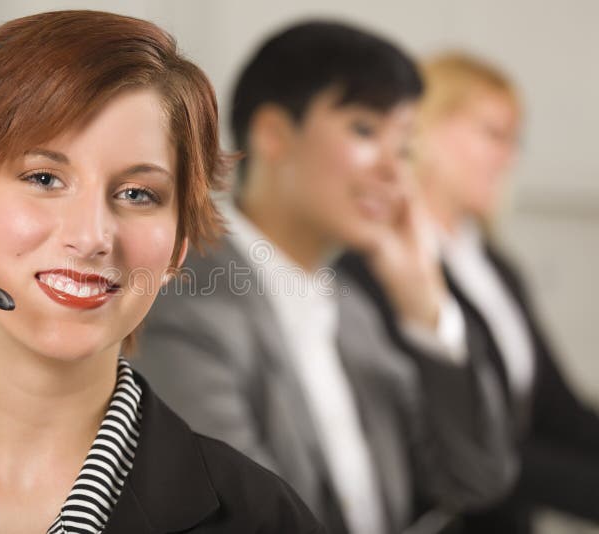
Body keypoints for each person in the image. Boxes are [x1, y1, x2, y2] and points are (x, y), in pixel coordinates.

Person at [0, 11, 325, 534]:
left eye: (138, 194)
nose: (93, 236)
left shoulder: (264, 518)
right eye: (45, 177)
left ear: (177, 248)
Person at [135, 21, 515, 534]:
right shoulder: (182, 306)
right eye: (364, 130)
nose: (393, 170)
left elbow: (478, 480)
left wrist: (426, 307)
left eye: (404, 147)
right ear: (272, 134)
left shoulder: (356, 309)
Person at [410, 51, 599, 533]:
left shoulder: (494, 265)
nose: (509, 157)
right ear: (426, 128)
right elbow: (455, 441)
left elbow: (558, 410)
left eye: (515, 140)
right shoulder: (384, 271)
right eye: (493, 134)